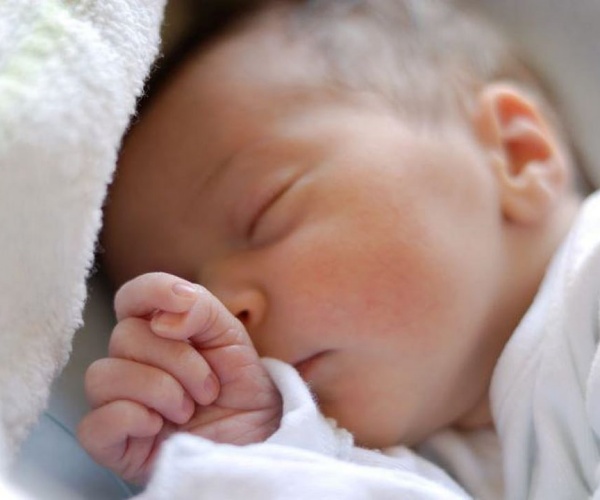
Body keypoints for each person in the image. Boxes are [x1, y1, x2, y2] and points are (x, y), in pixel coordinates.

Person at [77, 0, 600, 496]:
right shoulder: (434, 462)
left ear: (517, 153)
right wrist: (258, 452)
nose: (224, 310)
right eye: (190, 295)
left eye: (265, 213)